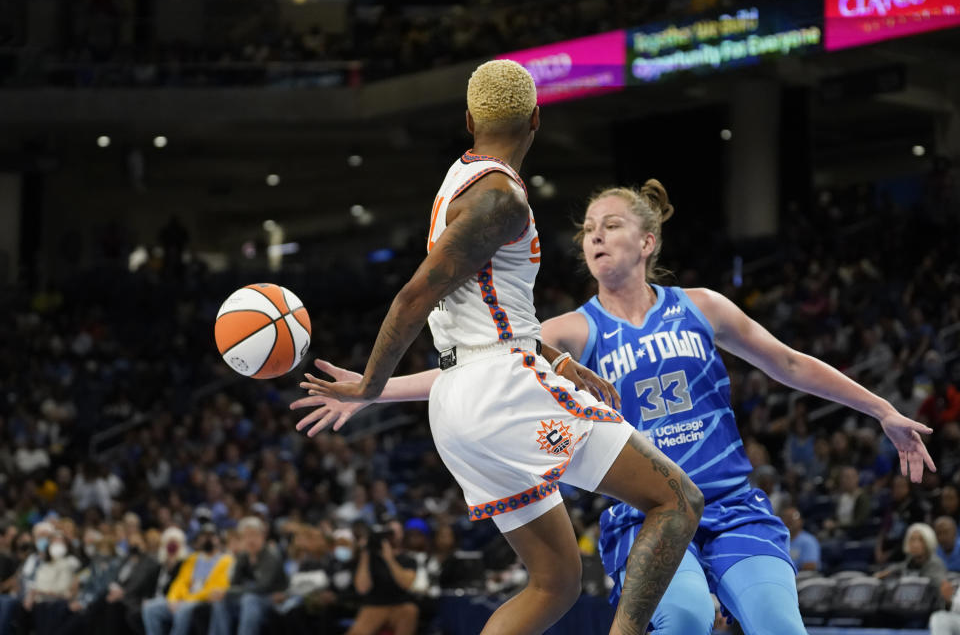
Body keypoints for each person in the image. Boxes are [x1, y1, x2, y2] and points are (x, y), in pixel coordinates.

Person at [298, 176, 935, 634]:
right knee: (682, 618)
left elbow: (790, 364)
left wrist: (881, 408)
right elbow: (471, 377)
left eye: (612, 226)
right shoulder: (572, 330)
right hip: (648, 519)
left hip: (733, 506)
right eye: (588, 232)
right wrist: (373, 390)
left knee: (776, 623)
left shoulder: (704, 306)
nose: (596, 238)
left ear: (648, 241)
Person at [291, 59, 703, 635]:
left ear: (468, 120)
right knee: (679, 501)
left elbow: (489, 313)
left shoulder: (458, 179)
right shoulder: (500, 199)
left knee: (555, 584)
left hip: (461, 396)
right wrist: (371, 384)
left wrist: (555, 359)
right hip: (500, 388)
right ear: (536, 118)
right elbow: (413, 298)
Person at [141, 523, 233, 635]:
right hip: (184, 598)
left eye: (211, 536)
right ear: (199, 539)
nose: (207, 540)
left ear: (218, 539)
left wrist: (188, 599)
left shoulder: (226, 560)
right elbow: (180, 581)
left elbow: (217, 587)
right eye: (204, 536)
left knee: (184, 609)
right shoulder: (192, 558)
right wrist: (173, 599)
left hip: (202, 600)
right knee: (150, 608)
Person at [208, 516, 286, 635]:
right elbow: (234, 583)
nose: (251, 540)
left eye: (254, 535)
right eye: (247, 536)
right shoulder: (243, 556)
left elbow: (262, 587)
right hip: (250, 598)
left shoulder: (271, 555)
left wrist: (228, 592)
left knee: (249, 600)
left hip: (272, 598)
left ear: (263, 536)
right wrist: (225, 593)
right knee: (221, 600)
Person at [875, 522, 946, 588]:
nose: (915, 544)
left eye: (921, 540)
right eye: (912, 539)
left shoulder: (935, 565)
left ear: (928, 542)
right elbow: (900, 567)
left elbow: (938, 588)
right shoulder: (909, 562)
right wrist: (886, 573)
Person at [780, 507, 820, 572]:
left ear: (801, 521)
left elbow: (810, 566)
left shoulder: (808, 540)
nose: (789, 521)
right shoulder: (776, 540)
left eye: (793, 518)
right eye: (786, 518)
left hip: (802, 578)